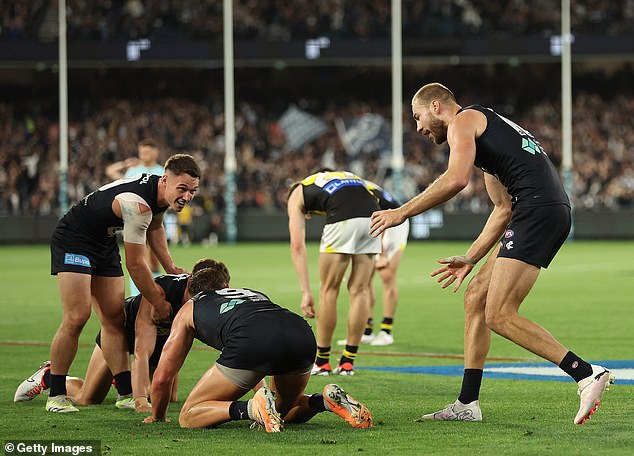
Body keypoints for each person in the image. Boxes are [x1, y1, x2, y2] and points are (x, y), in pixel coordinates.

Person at [369, 83, 614, 424]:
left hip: (539, 210)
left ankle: (586, 373)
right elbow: (501, 209)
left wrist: (402, 212)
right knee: (476, 299)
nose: (418, 127)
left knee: (498, 314)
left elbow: (455, 179)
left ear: (436, 105)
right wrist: (470, 258)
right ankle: (467, 404)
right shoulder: (487, 138)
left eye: (417, 116)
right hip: (540, 209)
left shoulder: (463, 121)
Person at [45, 153, 200, 413]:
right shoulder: (138, 206)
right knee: (78, 315)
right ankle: (55, 392)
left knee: (115, 318)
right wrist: (157, 301)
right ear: (165, 180)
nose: (187, 196)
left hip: (103, 243)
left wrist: (170, 266)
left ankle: (126, 394)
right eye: (182, 189)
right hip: (74, 238)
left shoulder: (160, 197)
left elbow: (156, 227)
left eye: (193, 191)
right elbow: (136, 265)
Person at [143, 262, 373, 431]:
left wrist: (157, 416)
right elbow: (260, 348)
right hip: (300, 334)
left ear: (190, 293)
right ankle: (324, 400)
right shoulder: (252, 293)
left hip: (252, 340)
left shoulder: (188, 308)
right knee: (283, 410)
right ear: (226, 285)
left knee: (189, 415)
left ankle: (251, 409)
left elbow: (163, 376)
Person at [14, 258, 218, 412]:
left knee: (167, 398)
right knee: (89, 398)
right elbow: (140, 352)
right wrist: (139, 400)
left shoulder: (201, 300)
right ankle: (49, 377)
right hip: (121, 333)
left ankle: (124, 381)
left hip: (160, 337)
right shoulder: (159, 294)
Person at [287, 170, 381, 375]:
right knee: (361, 290)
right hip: (373, 215)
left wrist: (305, 292)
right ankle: (348, 362)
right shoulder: (336, 177)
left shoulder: (297, 191)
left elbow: (297, 245)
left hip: (343, 217)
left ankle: (322, 362)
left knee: (329, 289)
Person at [337, 180, 409, 347]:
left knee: (387, 275)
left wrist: (382, 254)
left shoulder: (357, 190)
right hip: (375, 224)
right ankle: (367, 330)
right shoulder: (345, 188)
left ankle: (386, 331)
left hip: (394, 221)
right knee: (363, 279)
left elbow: (380, 216)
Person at [106, 138, 165, 295]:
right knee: (137, 260)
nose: (143, 155)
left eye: (147, 152)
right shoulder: (133, 171)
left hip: (154, 222)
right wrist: (126, 164)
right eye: (141, 152)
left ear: (155, 153)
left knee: (153, 261)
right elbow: (111, 171)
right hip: (134, 222)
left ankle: (155, 290)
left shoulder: (162, 172)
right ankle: (138, 295)